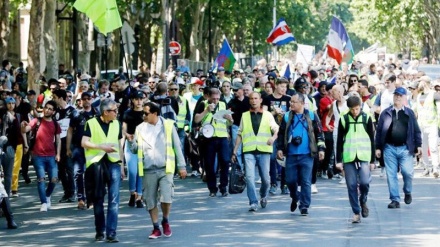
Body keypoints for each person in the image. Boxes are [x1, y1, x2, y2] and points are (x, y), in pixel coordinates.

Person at [127, 102, 187, 239]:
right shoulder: (140, 128)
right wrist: (131, 142)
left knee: (166, 197)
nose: (144, 115)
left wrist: (182, 166)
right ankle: (155, 227)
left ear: (155, 114)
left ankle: (165, 220)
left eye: (146, 113)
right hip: (148, 169)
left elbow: (177, 146)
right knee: (150, 200)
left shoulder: (168, 125)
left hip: (165, 168)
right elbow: (135, 149)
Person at [81, 99, 125, 242]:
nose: (116, 113)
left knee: (114, 199)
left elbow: (119, 145)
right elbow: (84, 142)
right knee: (98, 198)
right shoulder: (91, 123)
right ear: (106, 112)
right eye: (114, 111)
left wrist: (122, 166)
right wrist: (102, 147)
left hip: (114, 163)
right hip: (96, 164)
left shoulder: (117, 124)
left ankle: (111, 233)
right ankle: (100, 230)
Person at [277, 92, 325, 216]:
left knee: (305, 181)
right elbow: (281, 133)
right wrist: (280, 148)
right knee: (290, 180)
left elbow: (319, 133)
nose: (290, 104)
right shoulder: (287, 116)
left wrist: (321, 149)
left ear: (302, 103)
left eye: (293, 102)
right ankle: (295, 196)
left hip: (307, 154)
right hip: (291, 154)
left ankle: (304, 206)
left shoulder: (312, 116)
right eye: (290, 101)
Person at [375, 87, 422, 209]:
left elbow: (416, 130)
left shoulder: (409, 113)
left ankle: (407, 191)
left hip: (405, 149)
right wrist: (378, 147)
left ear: (405, 98)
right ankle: (395, 199)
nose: (398, 97)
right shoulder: (386, 112)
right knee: (391, 175)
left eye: (400, 96)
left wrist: (419, 145)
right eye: (396, 95)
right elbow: (379, 131)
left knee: (408, 173)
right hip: (389, 148)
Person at [232, 92, 278, 211]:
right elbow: (240, 134)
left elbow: (276, 129)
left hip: (264, 150)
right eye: (251, 99)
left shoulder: (268, 115)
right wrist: (235, 151)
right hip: (249, 150)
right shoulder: (245, 115)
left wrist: (272, 138)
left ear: (261, 100)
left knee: (266, 179)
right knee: (250, 177)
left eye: (256, 98)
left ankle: (263, 195)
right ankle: (253, 201)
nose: (253, 101)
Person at [335, 96, 375, 223]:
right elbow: (339, 141)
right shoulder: (344, 119)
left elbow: (372, 139)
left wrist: (373, 160)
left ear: (360, 106)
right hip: (349, 156)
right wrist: (338, 160)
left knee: (364, 183)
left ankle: (363, 200)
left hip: (364, 155)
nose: (355, 112)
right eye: (352, 109)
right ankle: (356, 212)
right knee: (351, 185)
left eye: (357, 109)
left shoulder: (366, 118)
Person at [21, 101, 61, 212]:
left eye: (50, 109)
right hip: (38, 155)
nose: (47, 110)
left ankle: (47, 195)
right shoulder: (36, 121)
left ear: (53, 112)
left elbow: (58, 140)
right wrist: (23, 126)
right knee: (41, 179)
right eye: (46, 108)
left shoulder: (55, 124)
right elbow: (25, 130)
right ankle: (43, 202)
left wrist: (58, 154)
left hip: (51, 155)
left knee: (54, 179)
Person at [194, 88, 233, 197]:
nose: (215, 101)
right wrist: (206, 110)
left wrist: (230, 120)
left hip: (222, 136)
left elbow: (229, 123)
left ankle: (223, 187)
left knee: (225, 161)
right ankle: (212, 188)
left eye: (217, 98)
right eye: (213, 98)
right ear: (208, 97)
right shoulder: (203, 104)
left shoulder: (223, 104)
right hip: (208, 137)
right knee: (209, 164)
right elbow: (196, 119)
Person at [66, 92, 99, 210]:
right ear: (80, 101)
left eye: (88, 98)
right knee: (78, 172)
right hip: (78, 147)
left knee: (92, 174)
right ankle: (81, 198)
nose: (86, 100)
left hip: (93, 147)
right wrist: (68, 147)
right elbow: (70, 131)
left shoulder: (97, 113)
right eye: (83, 99)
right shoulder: (75, 114)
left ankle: (91, 199)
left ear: (92, 99)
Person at [52, 89, 77, 203]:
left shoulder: (72, 111)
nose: (54, 99)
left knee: (69, 168)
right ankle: (66, 192)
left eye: (55, 97)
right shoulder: (55, 112)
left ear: (61, 98)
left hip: (69, 144)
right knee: (61, 170)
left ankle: (72, 192)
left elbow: (76, 127)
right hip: (58, 144)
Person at [122, 91, 146, 208]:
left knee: (141, 171)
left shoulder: (146, 113)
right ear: (132, 100)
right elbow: (123, 129)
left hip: (143, 145)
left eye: (141, 99)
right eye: (136, 99)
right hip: (131, 144)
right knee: (132, 171)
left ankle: (139, 197)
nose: (139, 101)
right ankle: (132, 193)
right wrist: (127, 135)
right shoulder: (128, 113)